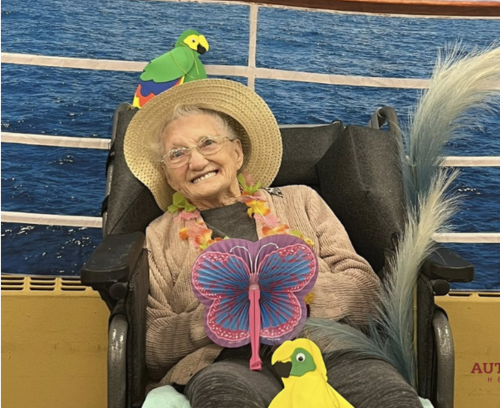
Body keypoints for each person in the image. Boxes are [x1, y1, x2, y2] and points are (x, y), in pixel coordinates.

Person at [124, 79, 422, 408]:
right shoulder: (159, 234)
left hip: (328, 348)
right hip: (226, 363)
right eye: (177, 154)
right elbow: (150, 345)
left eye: (208, 143)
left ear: (236, 153)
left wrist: (298, 296)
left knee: (390, 397)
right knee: (224, 397)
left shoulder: (302, 201)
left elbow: (366, 292)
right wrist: (211, 320)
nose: (195, 161)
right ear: (168, 176)